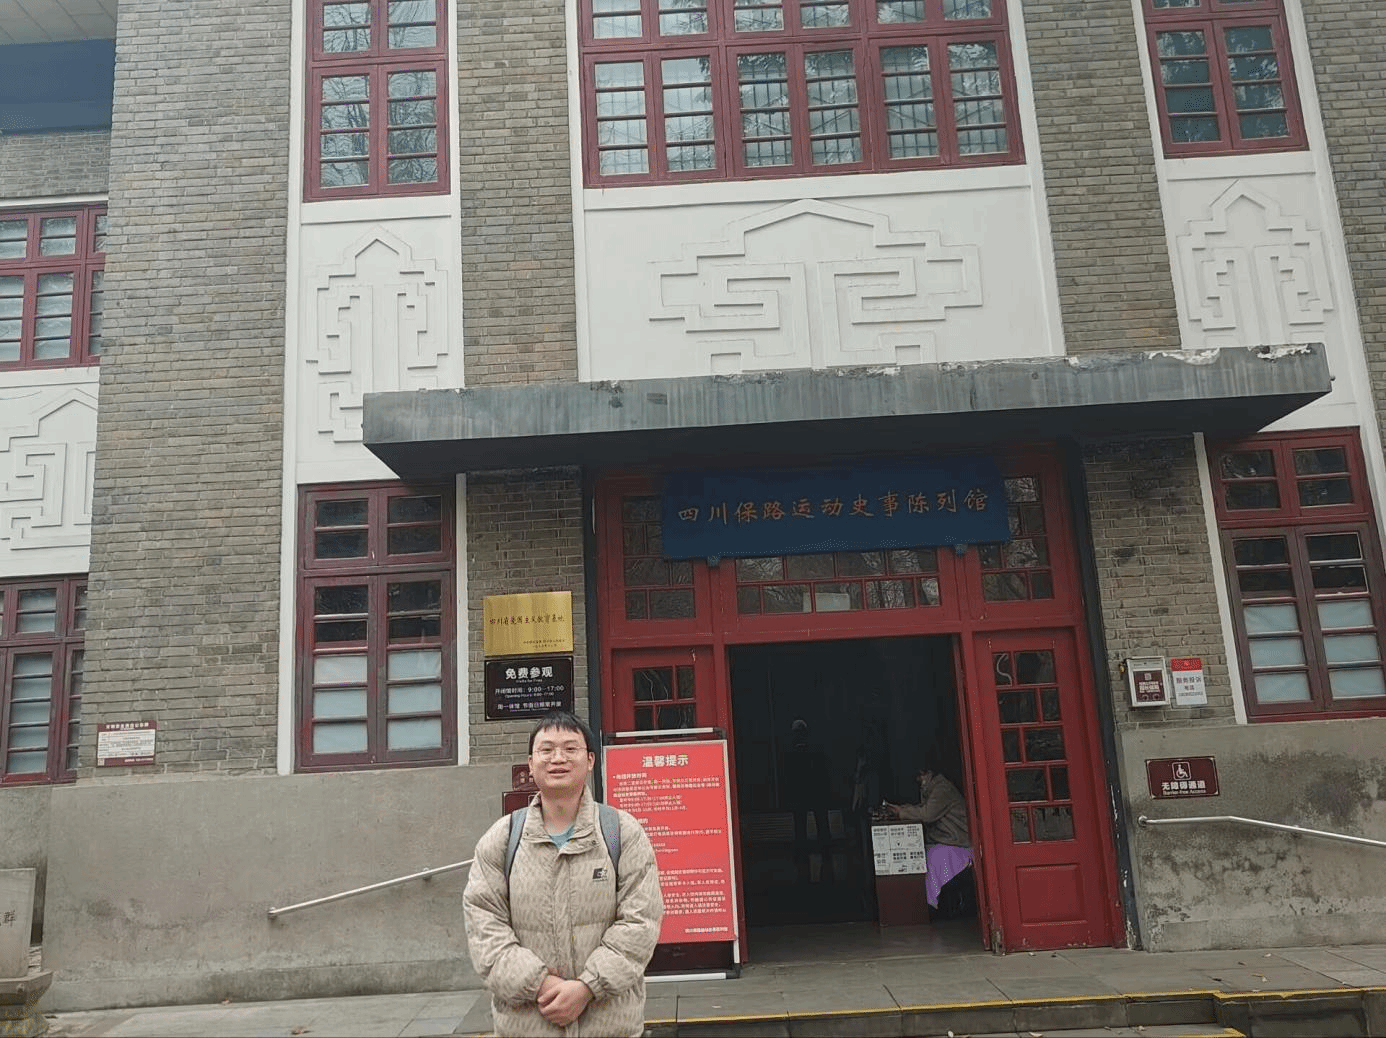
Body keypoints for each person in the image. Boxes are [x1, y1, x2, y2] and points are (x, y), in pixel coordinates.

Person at [463, 711, 664, 1037]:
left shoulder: (621, 833)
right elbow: (484, 928)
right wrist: (540, 984)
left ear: (590, 760)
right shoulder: (503, 839)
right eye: (547, 750)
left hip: (609, 1026)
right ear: (531, 763)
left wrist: (587, 987)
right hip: (527, 1026)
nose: (558, 758)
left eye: (570, 749)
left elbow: (641, 922)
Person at [882, 762, 970, 848]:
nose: (919, 780)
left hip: (957, 839)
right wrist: (903, 808)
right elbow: (923, 807)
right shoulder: (932, 788)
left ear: (929, 773)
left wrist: (901, 812)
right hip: (948, 839)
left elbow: (927, 814)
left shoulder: (943, 788)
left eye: (921, 775)